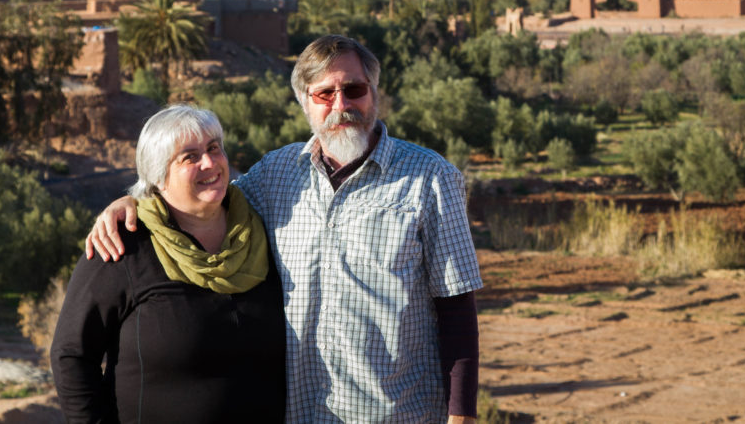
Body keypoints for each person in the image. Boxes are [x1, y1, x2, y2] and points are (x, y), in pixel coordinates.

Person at [87, 35, 482, 424]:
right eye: (324, 94)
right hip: (298, 414)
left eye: (354, 89)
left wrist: (460, 416)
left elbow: (457, 311)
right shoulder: (276, 174)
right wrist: (136, 202)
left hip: (398, 415)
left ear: (374, 92)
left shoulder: (431, 178)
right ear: (305, 104)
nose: (341, 105)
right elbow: (201, 200)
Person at [52, 105, 286, 423]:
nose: (210, 162)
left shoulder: (264, 232)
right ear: (159, 178)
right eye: (189, 156)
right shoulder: (122, 247)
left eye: (213, 148)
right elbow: (72, 354)